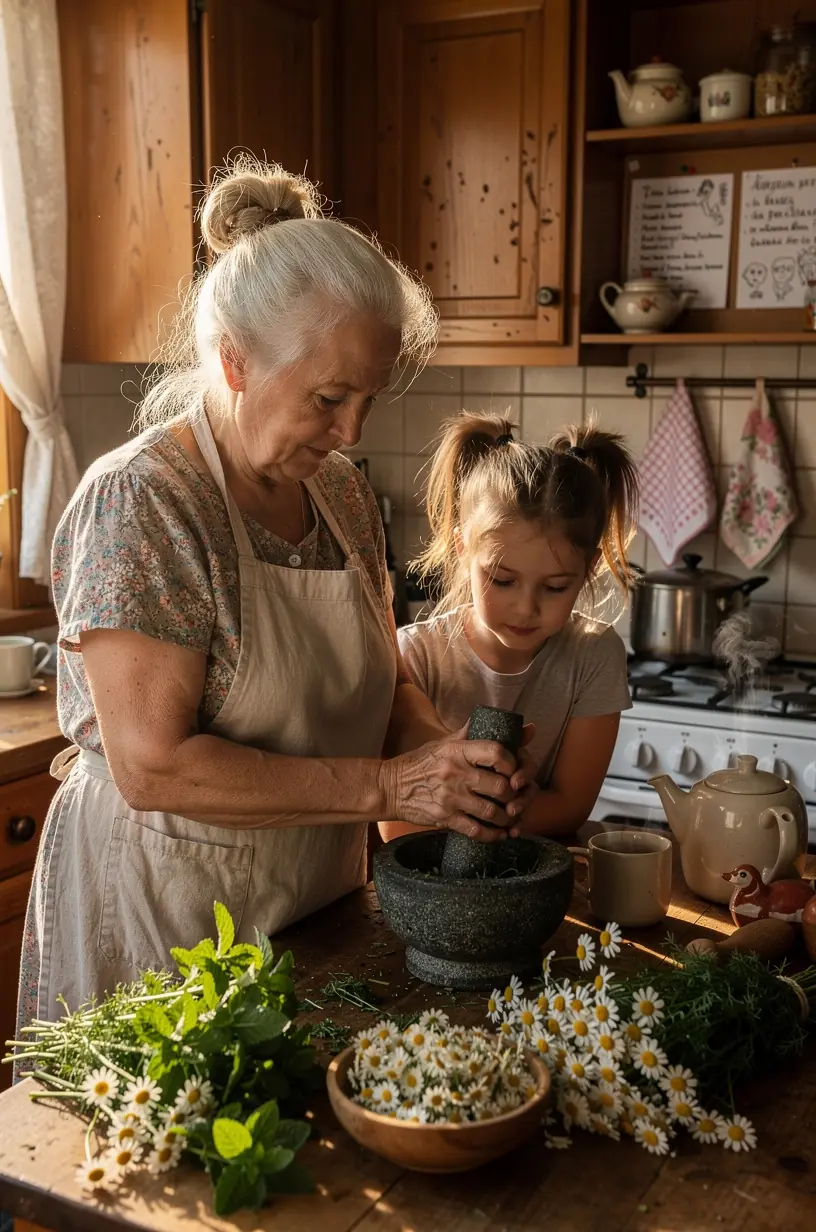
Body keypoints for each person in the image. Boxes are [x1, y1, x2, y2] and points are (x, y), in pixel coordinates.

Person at [17, 161, 534, 1038]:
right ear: (235, 362)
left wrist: (450, 764)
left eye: (369, 398)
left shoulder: (339, 497)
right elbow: (154, 766)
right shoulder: (144, 503)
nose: (353, 432)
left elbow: (381, 684)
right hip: (167, 918)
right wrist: (390, 784)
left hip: (309, 902)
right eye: (330, 398)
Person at [382, 412, 638, 842]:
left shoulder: (595, 655)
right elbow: (396, 825)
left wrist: (491, 807)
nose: (525, 608)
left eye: (556, 587)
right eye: (502, 580)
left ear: (590, 569)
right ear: (463, 550)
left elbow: (571, 807)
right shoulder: (415, 658)